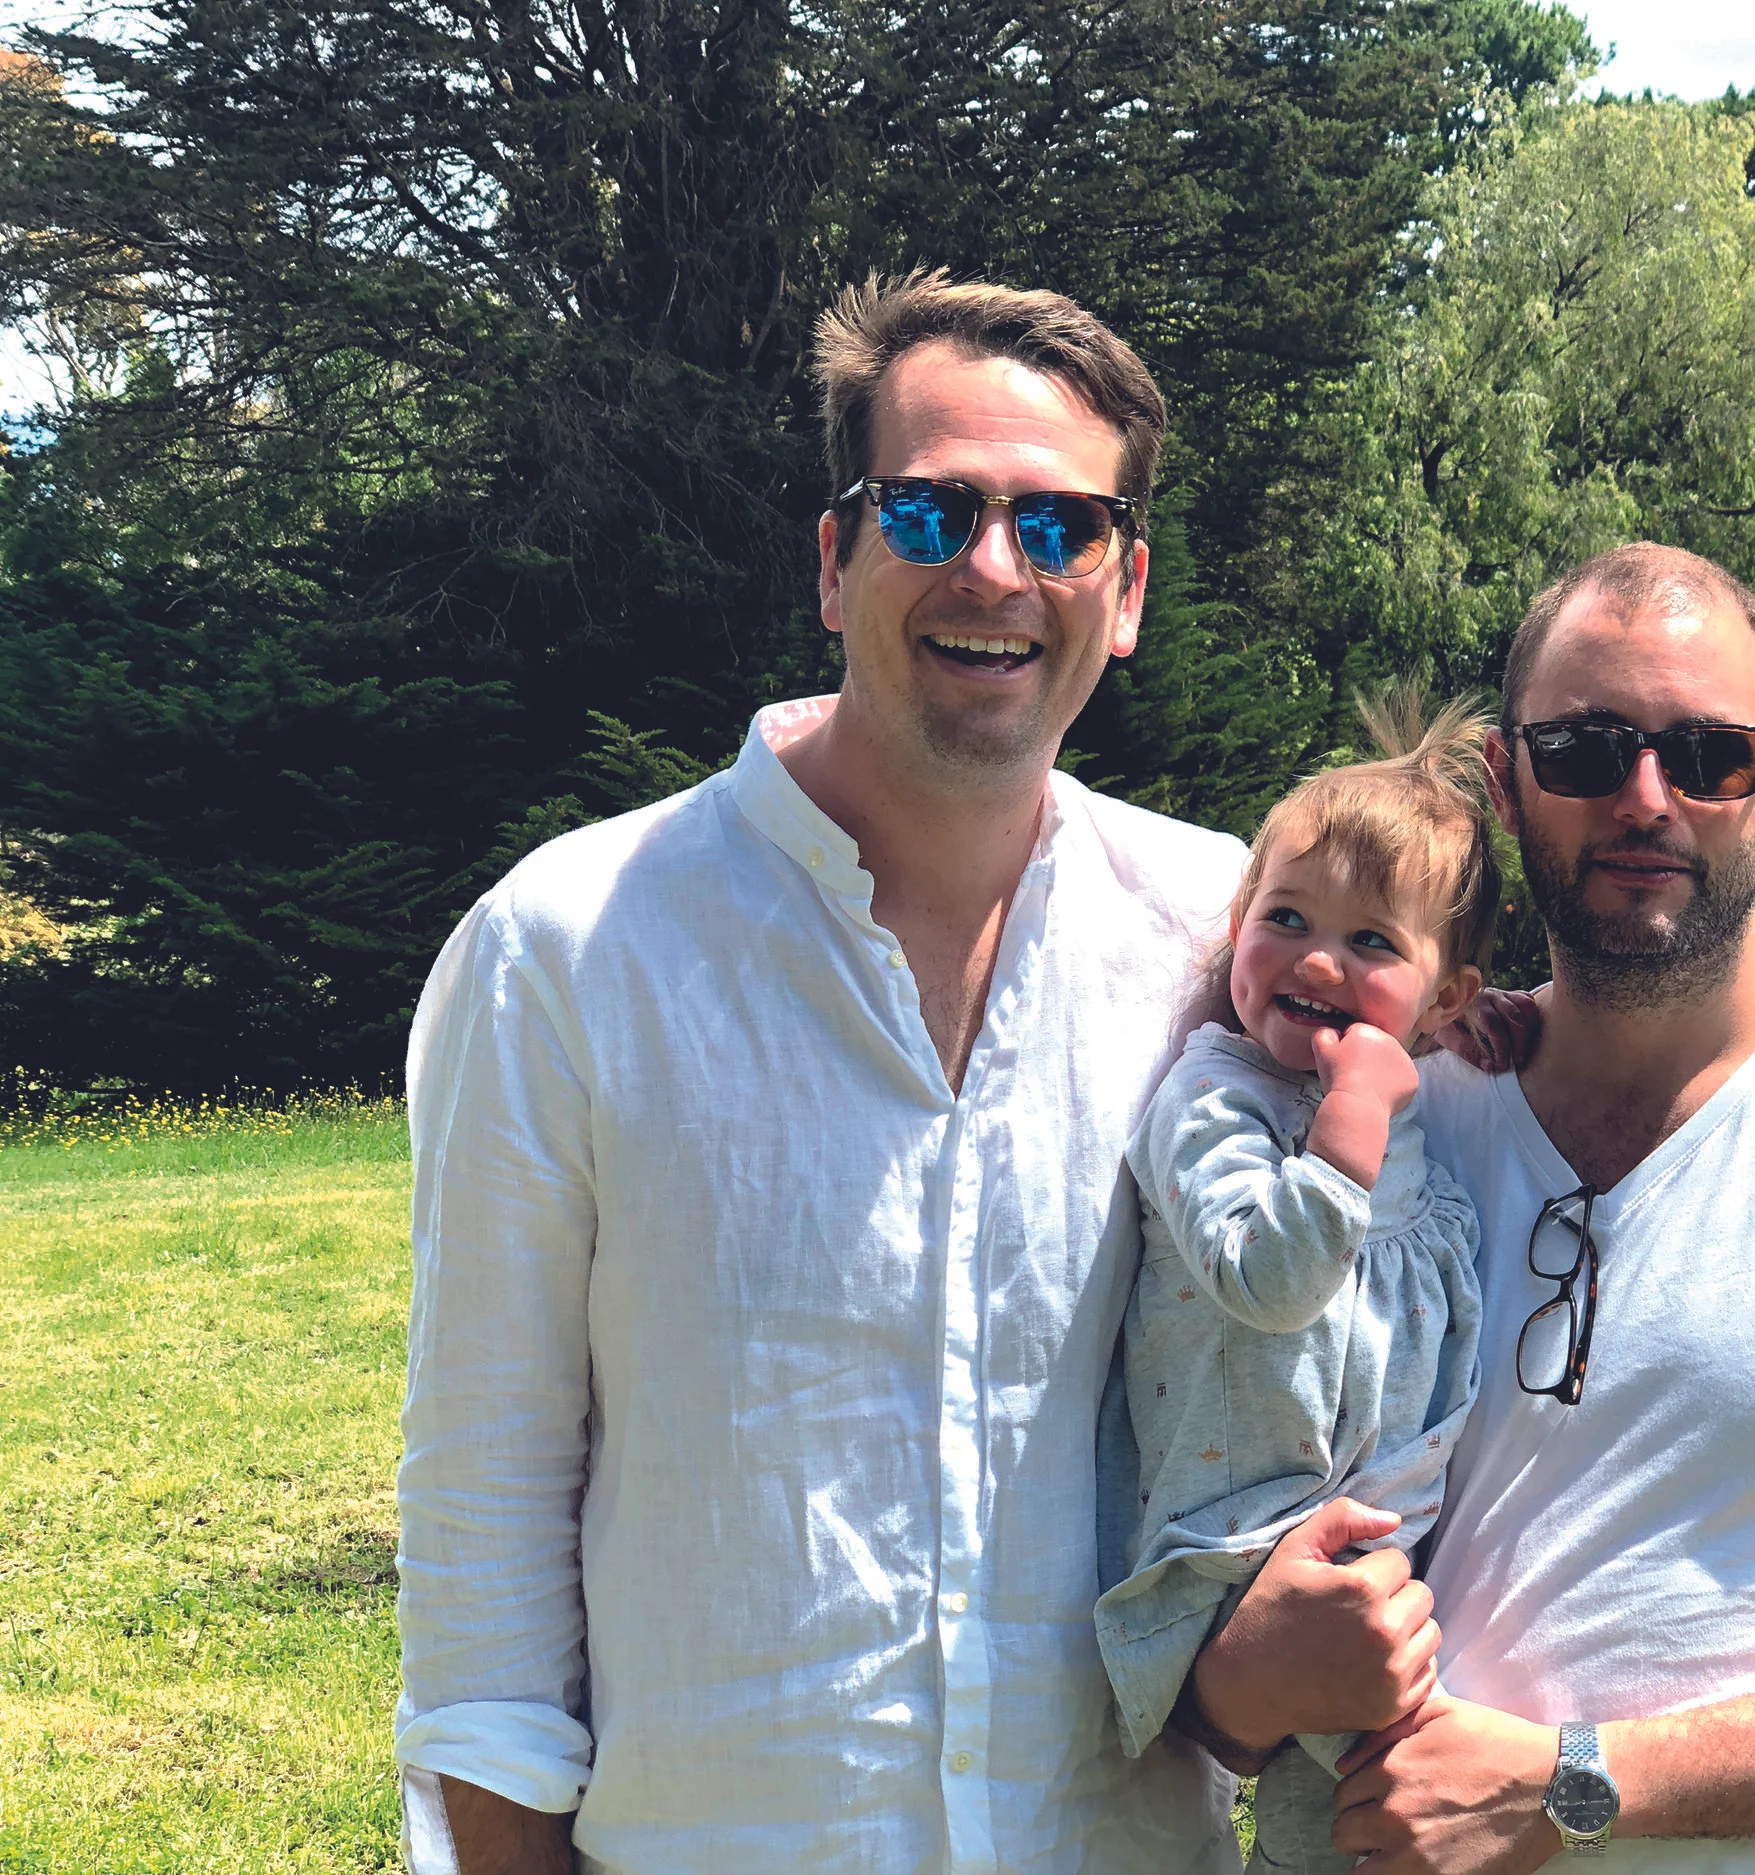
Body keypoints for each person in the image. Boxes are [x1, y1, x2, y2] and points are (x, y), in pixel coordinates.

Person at [393, 271, 1257, 1873]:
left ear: (1126, 588)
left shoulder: (1226, 942)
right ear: (834, 558)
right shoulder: (571, 948)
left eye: (1060, 524)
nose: (996, 565)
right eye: (928, 512)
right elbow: (482, 1523)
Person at [1184, 543, 1755, 1874]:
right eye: (1584, 748)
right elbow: (1203, 1544)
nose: (1647, 797)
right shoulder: (1379, 1114)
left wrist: (1580, 1779)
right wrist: (1245, 1674)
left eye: (1711, 754)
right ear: (1507, 782)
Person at [1096, 692, 1498, 1872]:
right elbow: (1267, 1278)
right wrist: (1352, 1120)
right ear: (1238, 922)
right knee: (1394, 1797)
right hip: (1233, 1554)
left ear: (1447, 1001)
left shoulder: (1410, 1099)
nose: (1319, 958)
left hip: (1382, 1539)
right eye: (1287, 916)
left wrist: (1470, 1040)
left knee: (1364, 1831)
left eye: (1374, 944)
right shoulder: (1213, 1098)